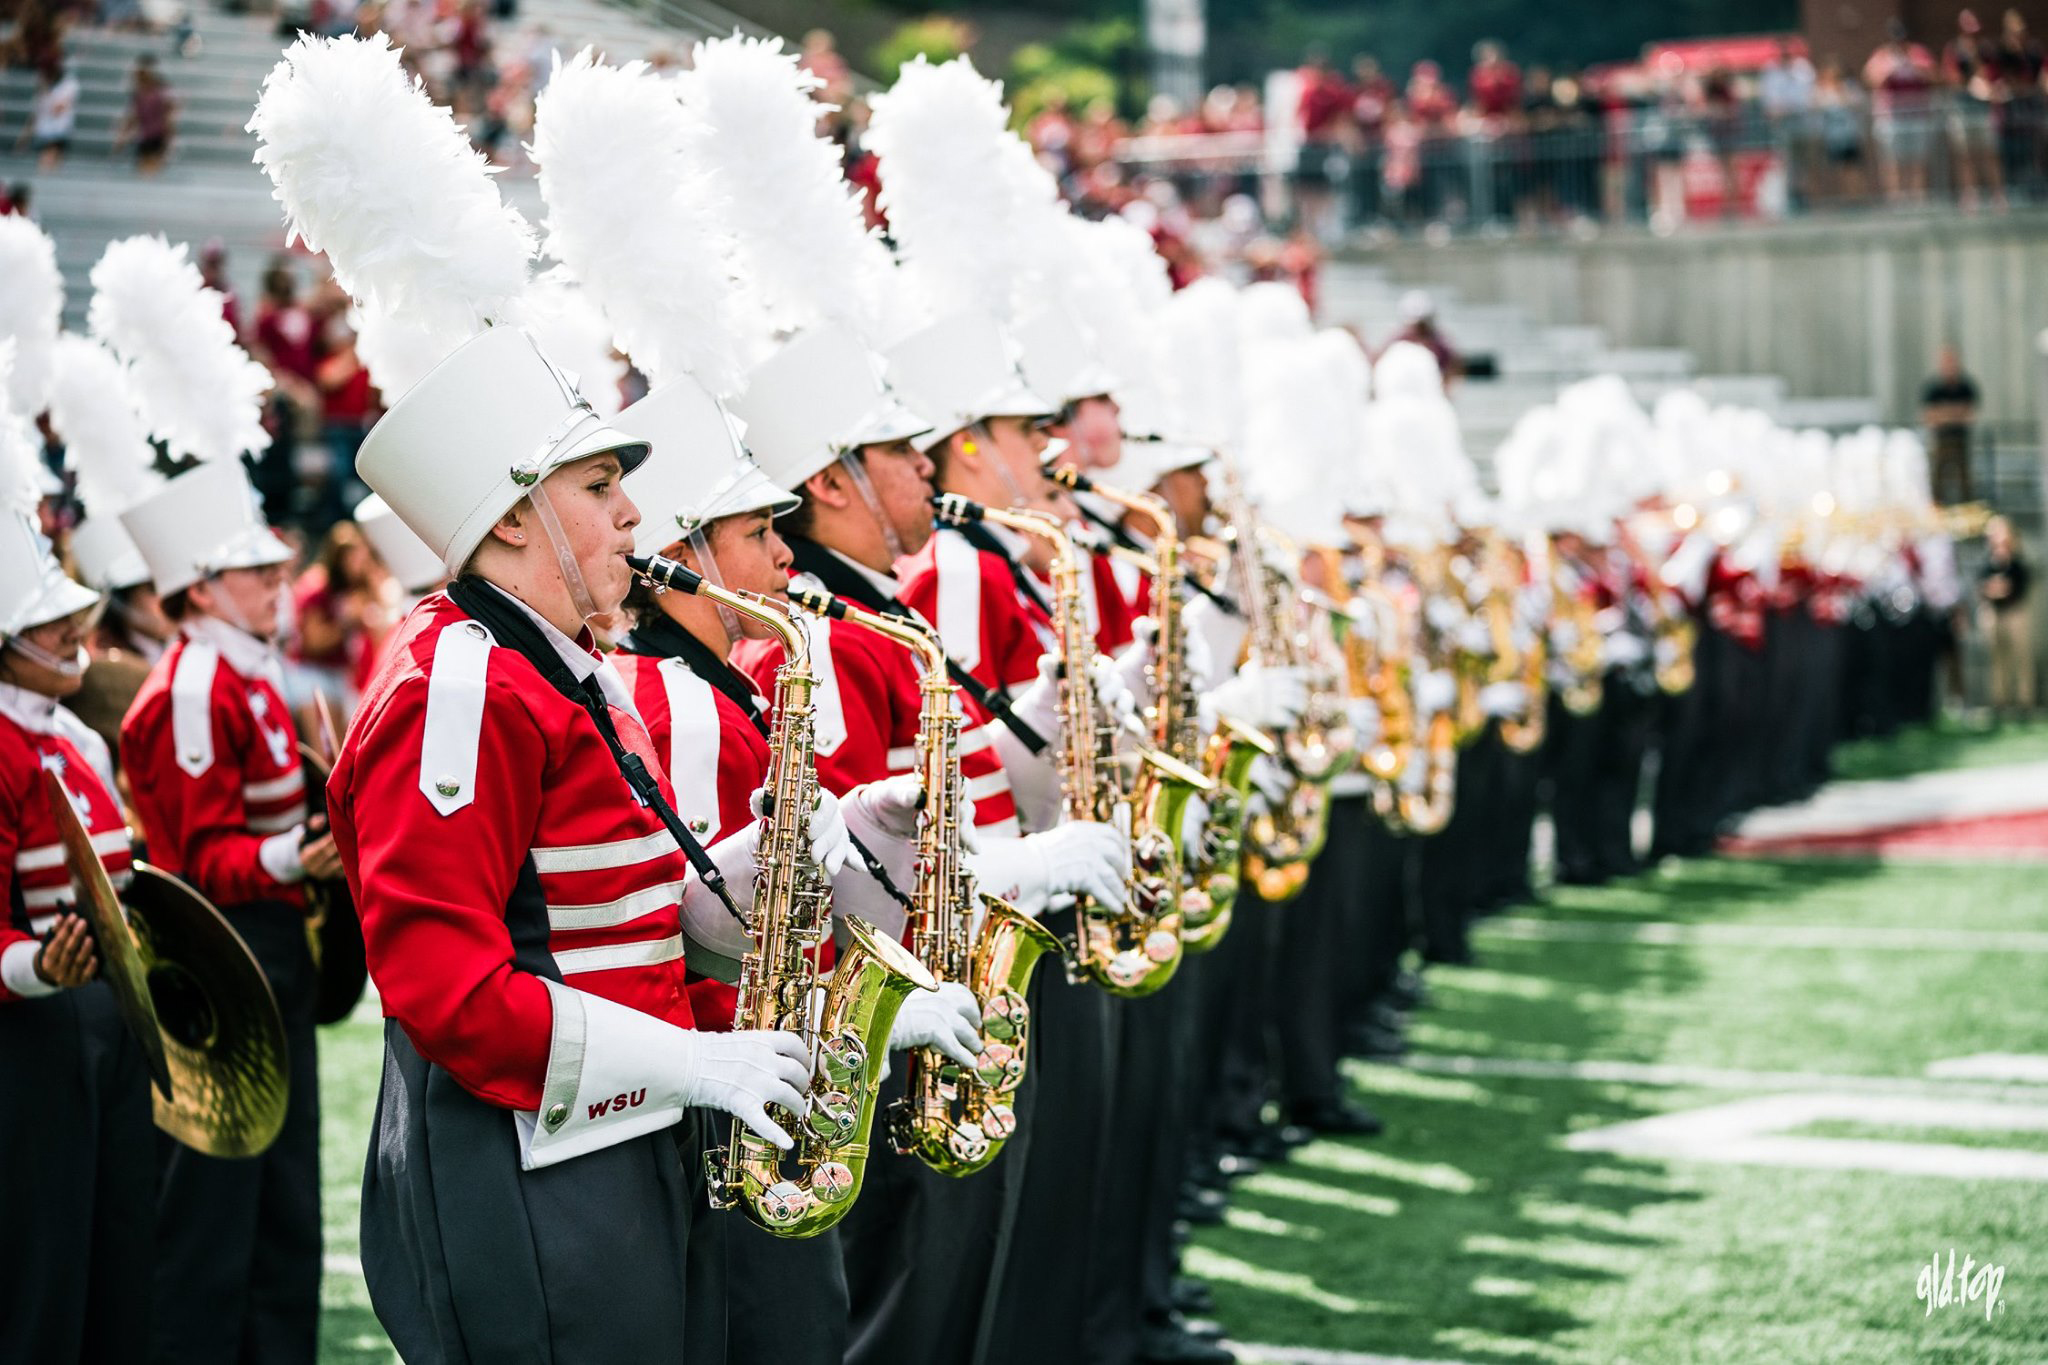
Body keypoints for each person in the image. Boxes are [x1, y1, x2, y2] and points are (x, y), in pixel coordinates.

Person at [329, 326, 814, 1363]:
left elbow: (608, 912)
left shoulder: (552, 664)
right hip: (530, 1152)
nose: (635, 511)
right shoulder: (460, 686)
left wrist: (808, 853)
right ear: (510, 517)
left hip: (617, 1123)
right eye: (599, 484)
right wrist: (690, 1061)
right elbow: (447, 992)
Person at [609, 369, 987, 1365]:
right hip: (736, 1094)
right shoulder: (673, 699)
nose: (783, 554)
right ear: (682, 557)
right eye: (753, 533)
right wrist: (848, 1024)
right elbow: (681, 933)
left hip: (770, 1069)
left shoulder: (716, 686)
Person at [116, 456, 337, 1362]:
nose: (280, 581)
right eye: (257, 573)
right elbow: (198, 860)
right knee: (213, 1207)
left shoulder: (243, 671)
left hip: (274, 941)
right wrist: (300, 854)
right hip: (227, 955)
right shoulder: (198, 686)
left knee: (282, 1200)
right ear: (200, 590)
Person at [0, 509, 156, 1365]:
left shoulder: (79, 735)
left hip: (111, 1020)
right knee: (43, 1271)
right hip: (27, 1034)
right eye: (43, 618)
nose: (72, 626)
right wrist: (35, 967)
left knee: (119, 1253)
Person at [1979, 514, 2035, 716]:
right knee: (1997, 660)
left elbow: (2021, 585)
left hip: (2015, 613)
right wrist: (1993, 589)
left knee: (2021, 658)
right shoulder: (1988, 559)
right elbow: (1982, 585)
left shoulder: (2016, 560)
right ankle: (2000, 701)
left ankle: (2024, 702)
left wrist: (2004, 589)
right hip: (1995, 613)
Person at [1920, 344, 1980, 505]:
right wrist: (1955, 413)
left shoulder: (1966, 386)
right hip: (1941, 442)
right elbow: (1929, 417)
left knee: (1964, 481)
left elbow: (1970, 415)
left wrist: (1944, 414)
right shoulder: (1933, 388)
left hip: (1960, 441)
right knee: (1937, 481)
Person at [114, 54, 178, 175]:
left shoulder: (162, 92)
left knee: (152, 168)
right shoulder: (138, 93)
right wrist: (123, 136)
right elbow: (133, 117)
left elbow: (169, 118)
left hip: (159, 136)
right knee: (145, 169)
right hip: (145, 136)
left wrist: (170, 139)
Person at [15, 56, 78, 171]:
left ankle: (53, 166)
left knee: (52, 153)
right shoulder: (41, 89)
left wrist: (46, 92)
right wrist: (25, 136)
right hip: (43, 130)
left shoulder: (69, 84)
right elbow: (36, 114)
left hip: (59, 130)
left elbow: (57, 110)